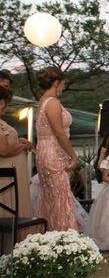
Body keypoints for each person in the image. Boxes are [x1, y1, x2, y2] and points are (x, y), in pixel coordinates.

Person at [34, 66, 79, 231]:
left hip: (44, 151)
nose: (63, 87)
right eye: (62, 83)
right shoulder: (52, 103)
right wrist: (73, 156)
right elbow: (59, 133)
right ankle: (64, 238)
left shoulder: (42, 101)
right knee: (60, 199)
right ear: (56, 83)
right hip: (53, 152)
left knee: (52, 199)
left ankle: (52, 236)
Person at [0, 87, 32, 218]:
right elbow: (3, 150)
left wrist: (17, 141)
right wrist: (23, 146)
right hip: (5, 179)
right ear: (2, 102)